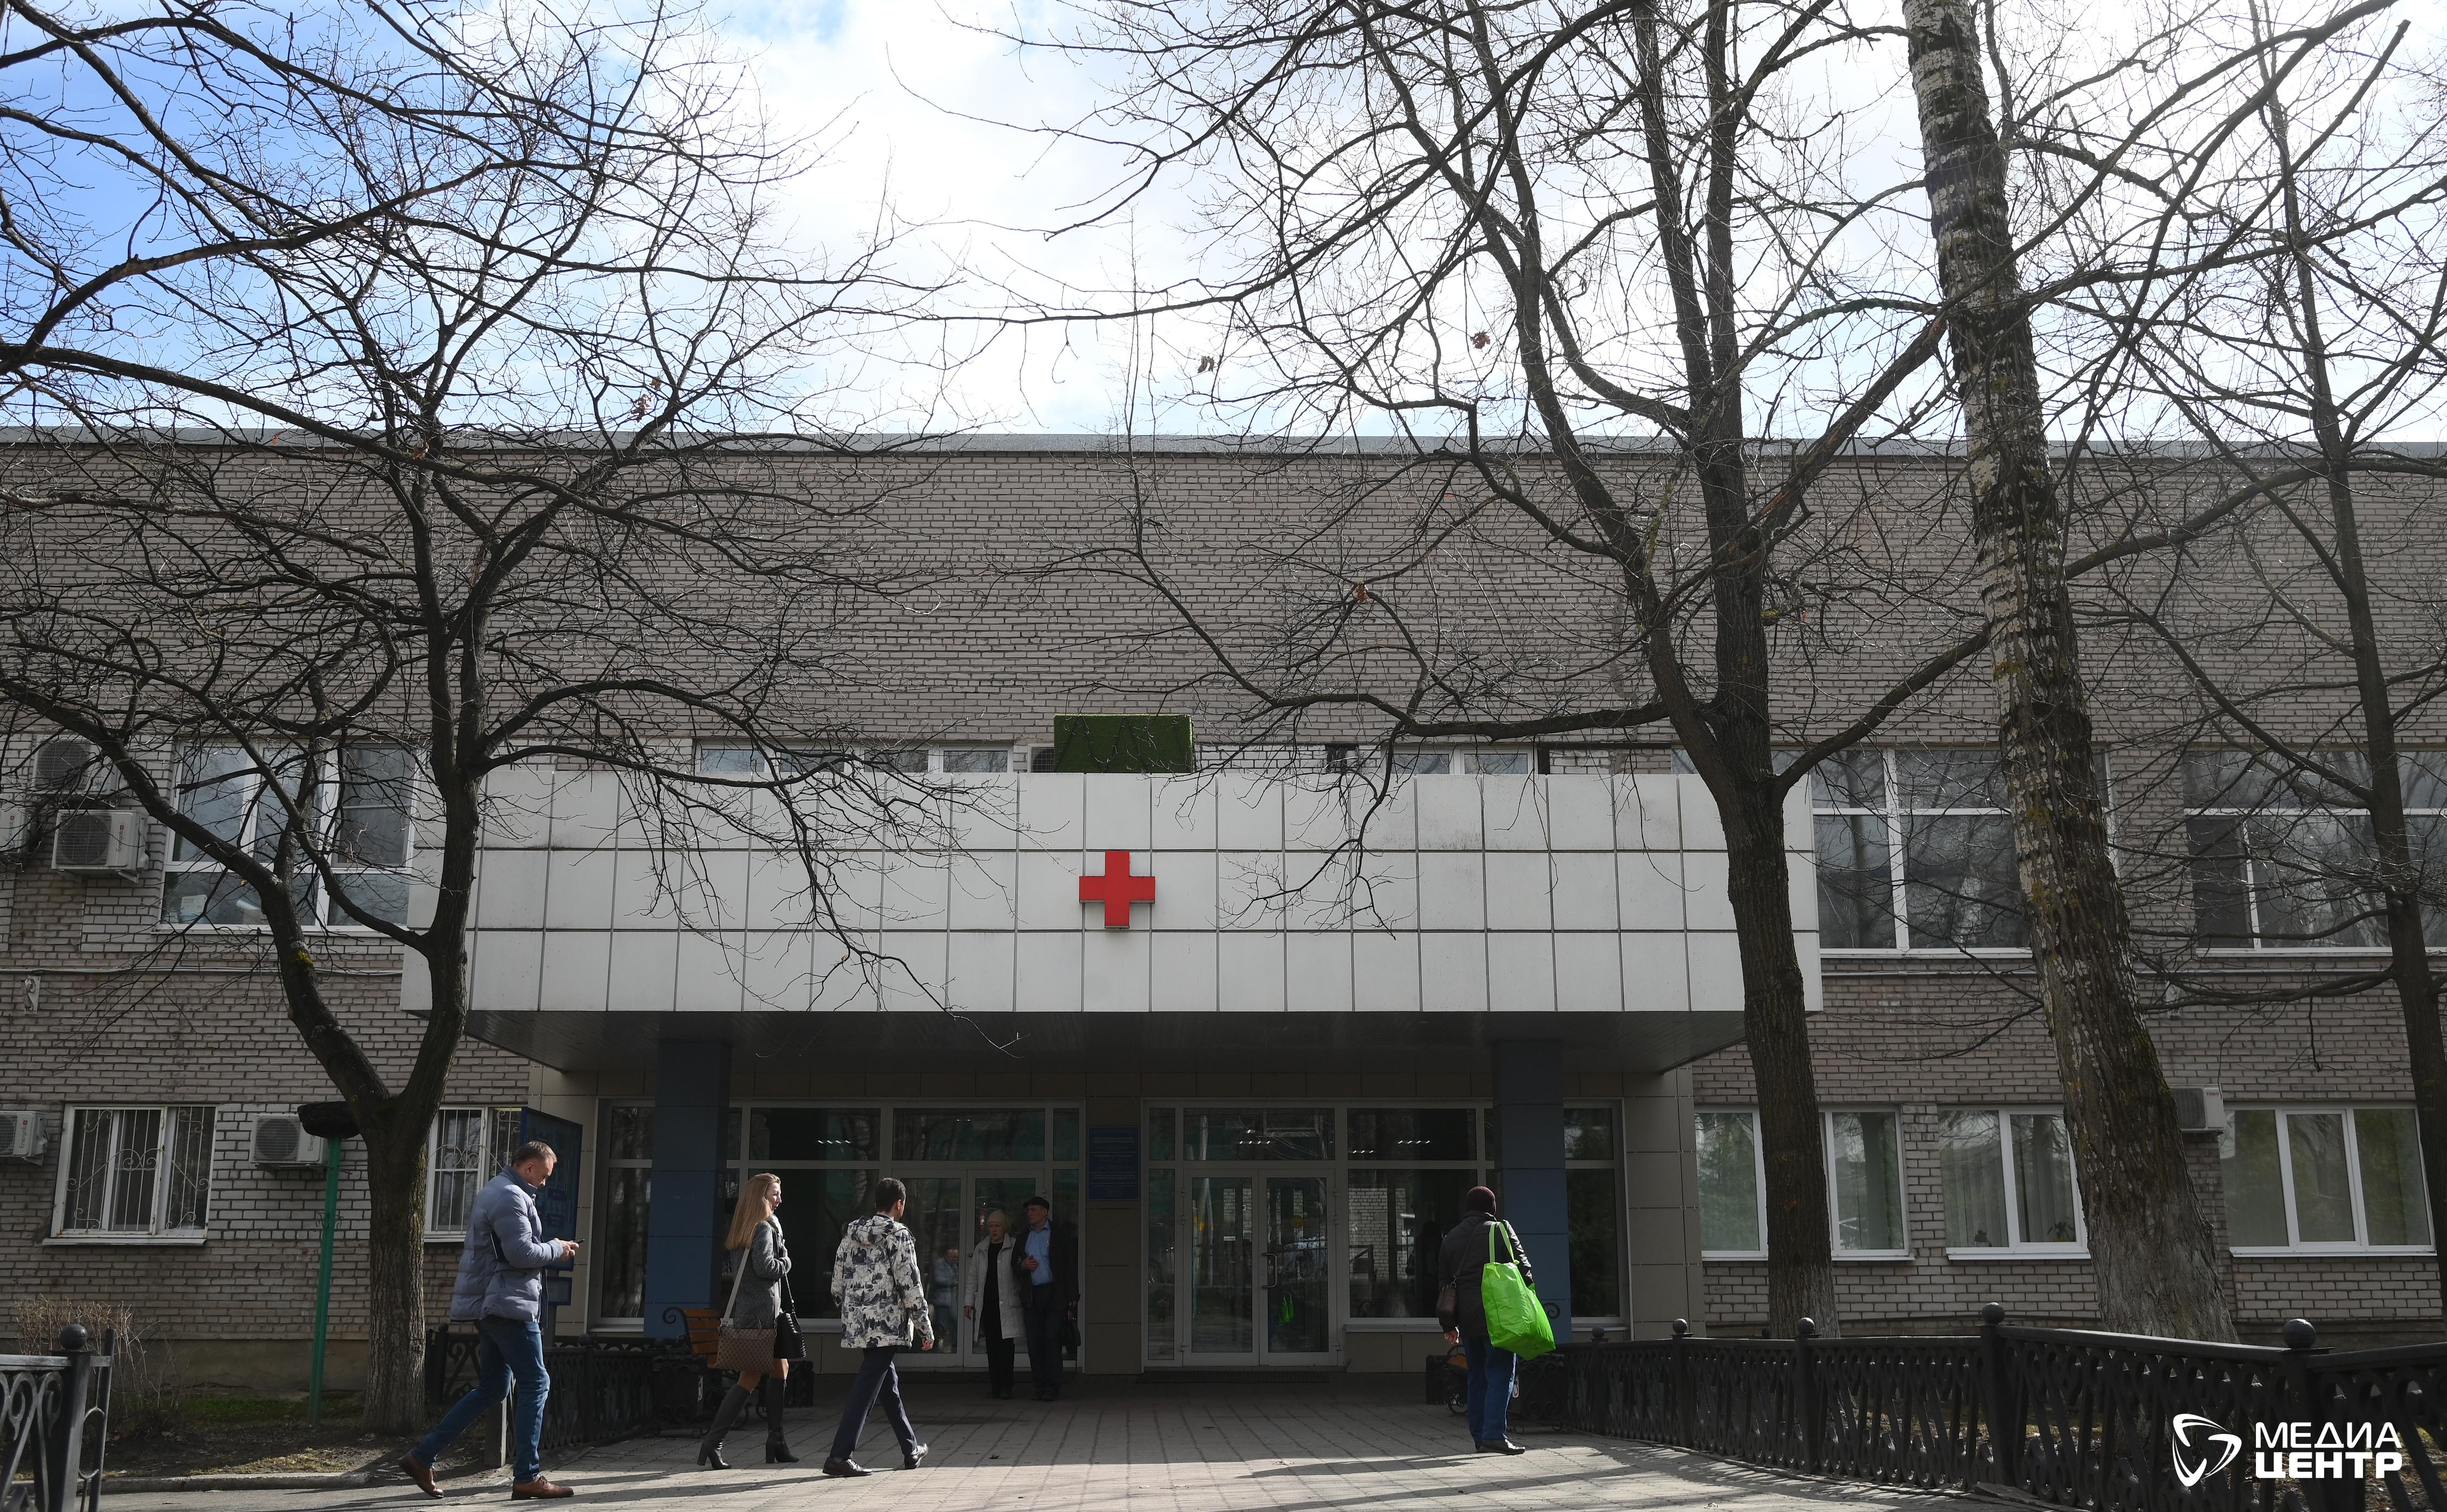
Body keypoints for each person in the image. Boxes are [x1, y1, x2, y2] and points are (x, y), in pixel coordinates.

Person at [402, 1141, 579, 1501]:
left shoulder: (500, 1191)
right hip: (506, 1305)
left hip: (495, 1303)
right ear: (529, 1167)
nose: (545, 1183)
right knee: (537, 1381)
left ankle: (421, 1457)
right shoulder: (510, 1196)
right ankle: (527, 1476)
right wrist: (557, 1248)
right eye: (544, 1175)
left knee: (494, 1387)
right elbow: (522, 1254)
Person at [824, 1178, 935, 1477]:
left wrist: (852, 1311)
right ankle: (839, 1456)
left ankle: (911, 1449)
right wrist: (925, 1328)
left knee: (888, 1386)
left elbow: (837, 1284)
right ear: (899, 1204)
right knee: (866, 1388)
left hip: (859, 1324)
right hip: (887, 1326)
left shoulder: (851, 1234)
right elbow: (911, 1286)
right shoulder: (898, 1235)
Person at [697, 1172, 798, 1469]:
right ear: (760, 1197)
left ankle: (776, 1440)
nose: (779, 1199)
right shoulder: (763, 1228)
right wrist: (787, 1260)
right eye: (775, 1194)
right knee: (749, 1378)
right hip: (760, 1316)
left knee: (781, 1368)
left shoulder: (745, 1227)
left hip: (756, 1312)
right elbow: (765, 1268)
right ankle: (713, 1443)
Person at [1439, 1185, 1532, 1456]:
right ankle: (1494, 1435)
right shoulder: (1500, 1230)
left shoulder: (1450, 1238)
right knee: (1501, 1372)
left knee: (1477, 1375)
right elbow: (1524, 1269)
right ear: (1492, 1207)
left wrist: (1449, 1325)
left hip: (1467, 1321)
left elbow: (1444, 1284)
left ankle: (1480, 1436)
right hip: (1498, 1315)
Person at [1015, 1194, 1077, 1402]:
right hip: (1032, 1295)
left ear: (1045, 1212)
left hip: (1055, 1294)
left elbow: (1070, 1266)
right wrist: (1023, 1266)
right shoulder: (1024, 1236)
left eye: (1033, 1210)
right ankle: (1040, 1386)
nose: (1029, 1214)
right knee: (1034, 1343)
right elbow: (1014, 1266)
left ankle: (1053, 1387)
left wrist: (1073, 1297)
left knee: (1052, 1339)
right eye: (1028, 1210)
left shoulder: (1059, 1234)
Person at [960, 1210, 1024, 1398]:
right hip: (988, 1304)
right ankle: (996, 1385)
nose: (994, 1230)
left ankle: (1007, 1386)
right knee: (992, 1346)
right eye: (991, 1226)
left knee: (1006, 1346)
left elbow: (1020, 1272)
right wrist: (969, 1302)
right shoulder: (982, 1249)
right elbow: (973, 1278)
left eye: (997, 1226)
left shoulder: (1014, 1246)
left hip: (1007, 1304)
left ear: (1005, 1228)